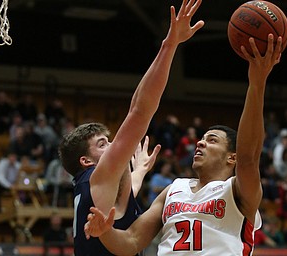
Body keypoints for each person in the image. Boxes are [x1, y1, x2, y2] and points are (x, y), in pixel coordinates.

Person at [84, 30, 284, 255]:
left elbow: (249, 157)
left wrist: (256, 84)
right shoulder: (173, 190)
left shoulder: (238, 190)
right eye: (201, 138)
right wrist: (105, 232)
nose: (200, 143)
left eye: (212, 140)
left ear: (232, 157)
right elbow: (131, 240)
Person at [59, 0, 204, 255]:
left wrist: (139, 171)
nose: (114, 144)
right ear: (86, 161)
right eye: (102, 144)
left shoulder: (103, 188)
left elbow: (126, 194)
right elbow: (139, 112)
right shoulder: (99, 177)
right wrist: (169, 45)